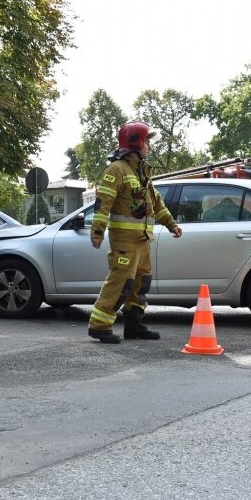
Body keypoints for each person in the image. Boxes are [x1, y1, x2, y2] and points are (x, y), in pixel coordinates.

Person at [88, 121, 183, 344]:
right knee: (121, 282)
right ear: (136, 142)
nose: (149, 146)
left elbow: (156, 203)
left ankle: (134, 326)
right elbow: (103, 203)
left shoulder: (141, 172)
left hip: (142, 241)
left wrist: (172, 224)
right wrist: (97, 232)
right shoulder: (116, 169)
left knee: (141, 284)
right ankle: (99, 326)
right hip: (125, 241)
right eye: (147, 142)